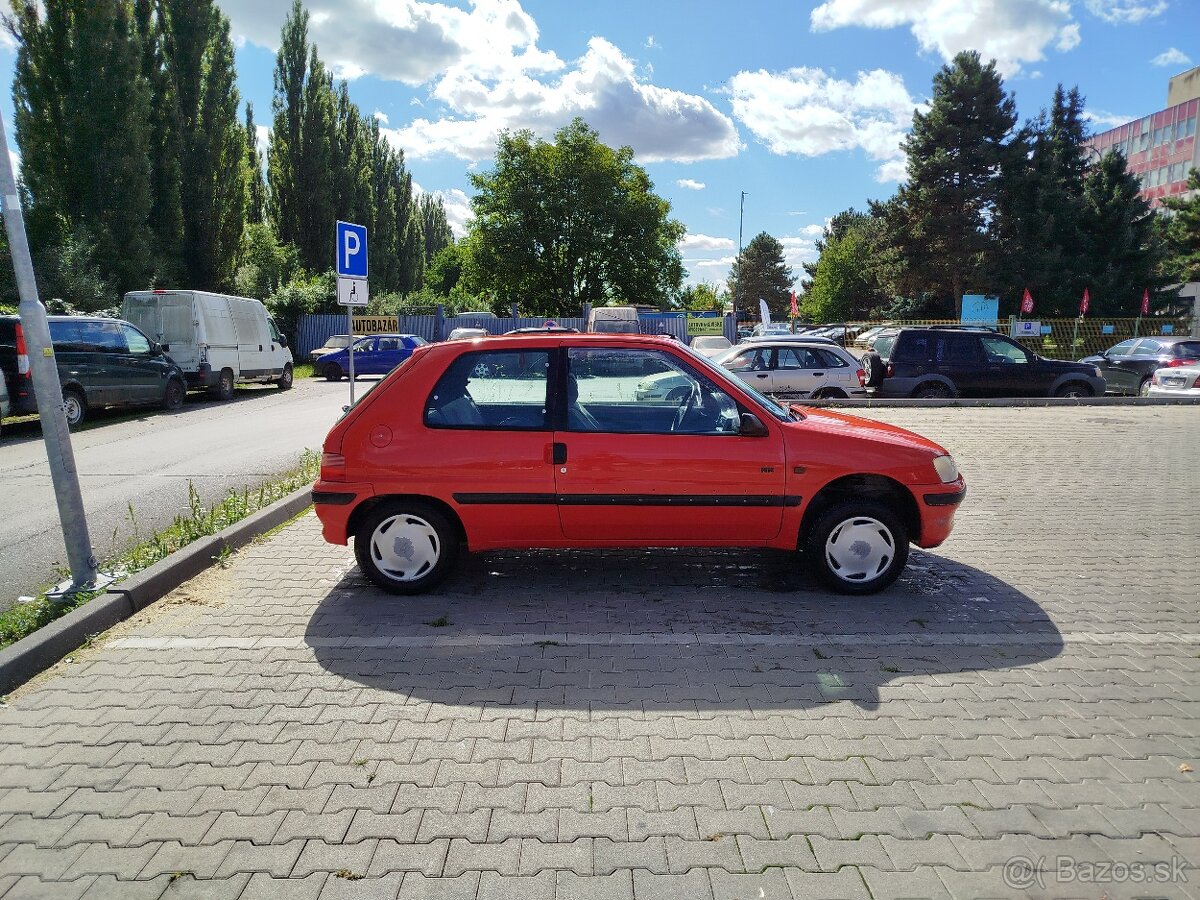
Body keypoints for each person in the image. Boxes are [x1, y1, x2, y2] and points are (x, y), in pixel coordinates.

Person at [427, 360, 484, 425]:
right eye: (464, 380)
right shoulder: (462, 404)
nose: (467, 383)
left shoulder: (462, 403)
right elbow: (470, 429)